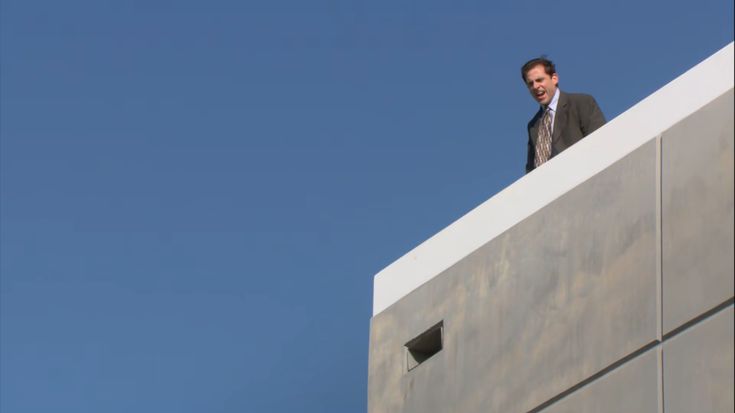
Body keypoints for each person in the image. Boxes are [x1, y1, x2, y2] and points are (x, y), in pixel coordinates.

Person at [522, 57, 606, 173]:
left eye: (540, 80)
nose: (535, 86)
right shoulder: (533, 125)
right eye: (530, 84)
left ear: (554, 78)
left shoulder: (581, 103)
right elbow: (531, 170)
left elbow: (601, 142)